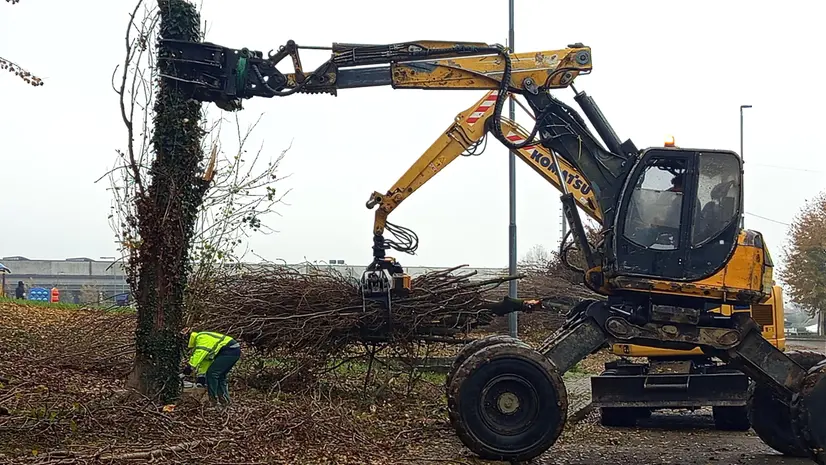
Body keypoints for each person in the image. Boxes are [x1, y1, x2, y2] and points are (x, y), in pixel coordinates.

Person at [181, 328, 241, 406]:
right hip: (232, 350)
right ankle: (225, 402)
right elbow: (206, 360)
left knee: (212, 374)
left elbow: (199, 354)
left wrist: (188, 368)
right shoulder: (201, 337)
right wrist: (201, 376)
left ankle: (213, 401)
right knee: (220, 376)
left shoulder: (201, 339)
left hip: (229, 351)